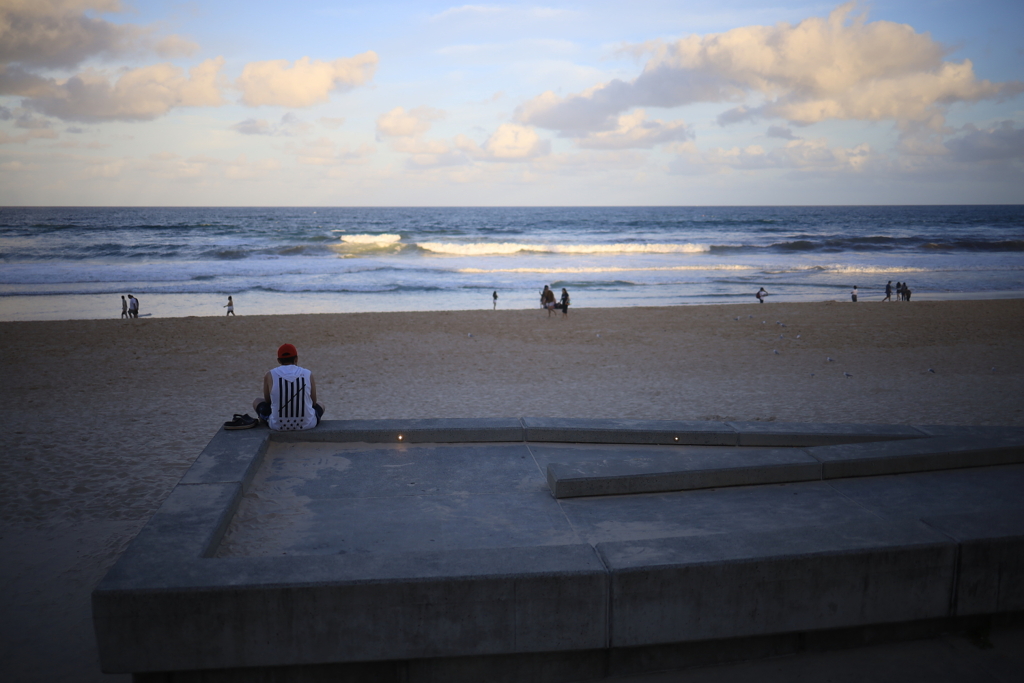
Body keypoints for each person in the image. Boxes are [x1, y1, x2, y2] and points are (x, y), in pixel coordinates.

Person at [252, 343, 324, 431]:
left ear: (279, 360)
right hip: (307, 424)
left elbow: (268, 401)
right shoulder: (308, 373)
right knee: (321, 405)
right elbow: (313, 402)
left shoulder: (270, 374)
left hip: (277, 425)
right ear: (296, 359)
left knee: (257, 401)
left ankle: (264, 420)